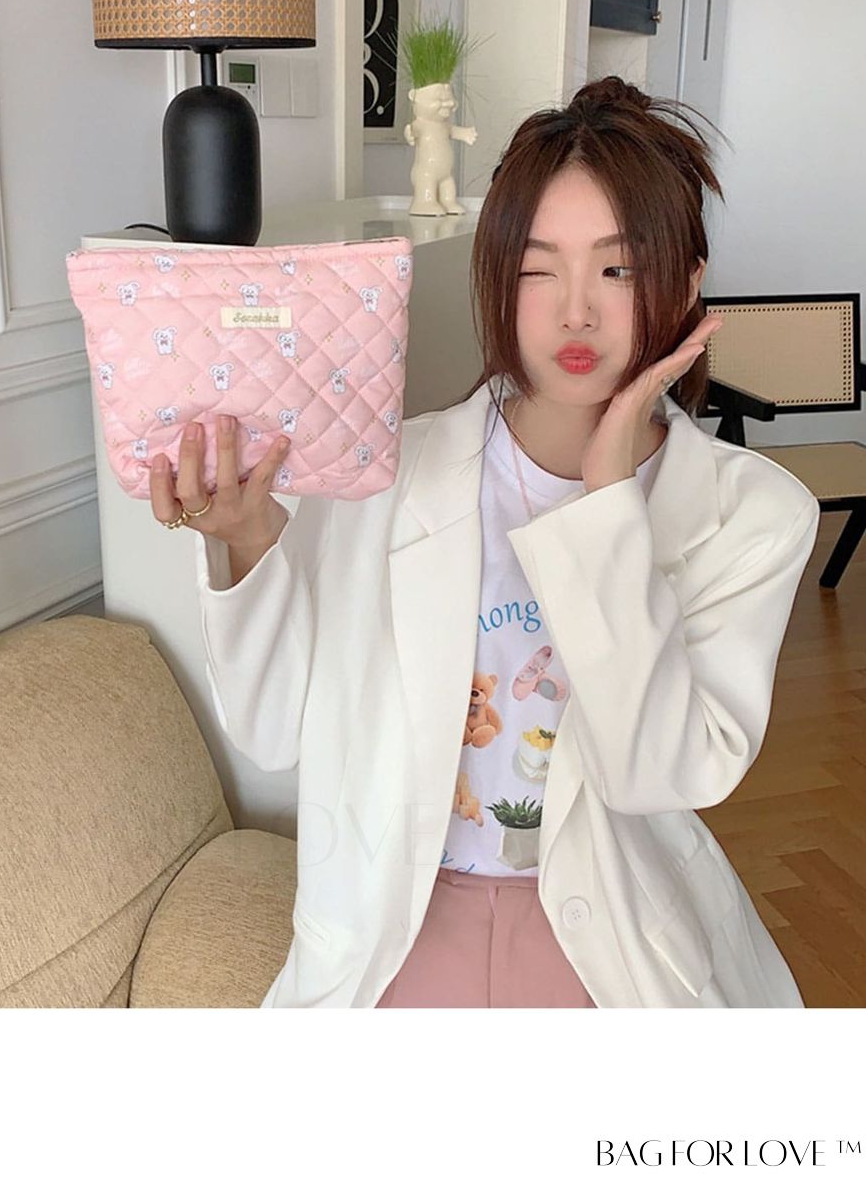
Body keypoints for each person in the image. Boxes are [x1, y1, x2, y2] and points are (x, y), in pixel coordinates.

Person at [149, 75, 820, 1009]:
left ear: (688, 282)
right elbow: (269, 731)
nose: (577, 311)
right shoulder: (386, 475)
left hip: (611, 929)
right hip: (400, 921)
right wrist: (248, 538)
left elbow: (662, 771)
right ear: (498, 280)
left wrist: (608, 498)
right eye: (539, 270)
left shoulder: (754, 515)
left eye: (619, 270)